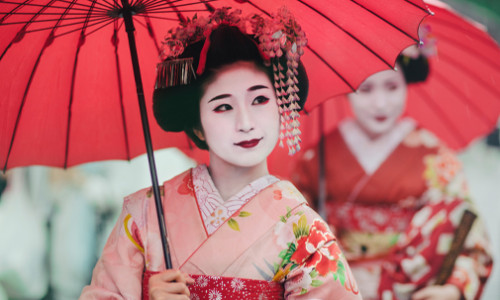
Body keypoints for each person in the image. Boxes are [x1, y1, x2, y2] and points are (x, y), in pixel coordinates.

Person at [80, 7, 361, 299]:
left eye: (260, 99)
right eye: (223, 106)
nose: (246, 123)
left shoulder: (305, 230)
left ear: (281, 105)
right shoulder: (144, 215)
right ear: (197, 126)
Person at [291, 45, 493, 300]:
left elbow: (468, 229)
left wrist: (454, 288)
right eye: (366, 89)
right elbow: (291, 231)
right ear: (347, 90)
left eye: (392, 87)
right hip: (335, 285)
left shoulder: (433, 156)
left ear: (407, 84)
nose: (380, 103)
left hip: (410, 285)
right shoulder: (317, 157)